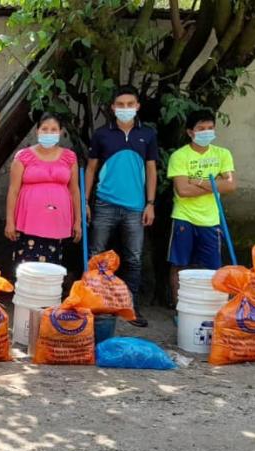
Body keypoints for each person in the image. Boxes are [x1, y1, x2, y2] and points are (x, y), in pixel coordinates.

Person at [86, 85, 158, 328]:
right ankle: (93, 302)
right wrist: (85, 202)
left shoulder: (147, 135)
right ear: (112, 108)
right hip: (104, 203)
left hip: (136, 207)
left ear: (137, 106)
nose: (125, 109)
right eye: (120, 105)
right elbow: (92, 169)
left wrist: (150, 204)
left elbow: (151, 169)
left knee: (134, 258)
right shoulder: (102, 134)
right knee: (96, 255)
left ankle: (130, 306)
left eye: (130, 104)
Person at [167, 109, 236, 305]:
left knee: (213, 268)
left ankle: (211, 306)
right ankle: (179, 306)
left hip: (212, 219)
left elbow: (230, 185)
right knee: (180, 264)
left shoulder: (223, 154)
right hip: (184, 217)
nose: (206, 132)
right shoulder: (180, 156)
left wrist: (198, 181)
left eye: (210, 128)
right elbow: (183, 190)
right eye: (201, 129)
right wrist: (214, 184)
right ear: (190, 132)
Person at [5, 113, 81, 266]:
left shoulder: (70, 157)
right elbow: (13, 190)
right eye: (44, 129)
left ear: (60, 132)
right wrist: (9, 221)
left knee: (52, 270)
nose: (49, 133)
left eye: (53, 130)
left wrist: (78, 221)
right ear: (37, 131)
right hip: (28, 221)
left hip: (57, 221)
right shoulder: (23, 157)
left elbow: (74, 191)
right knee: (27, 269)